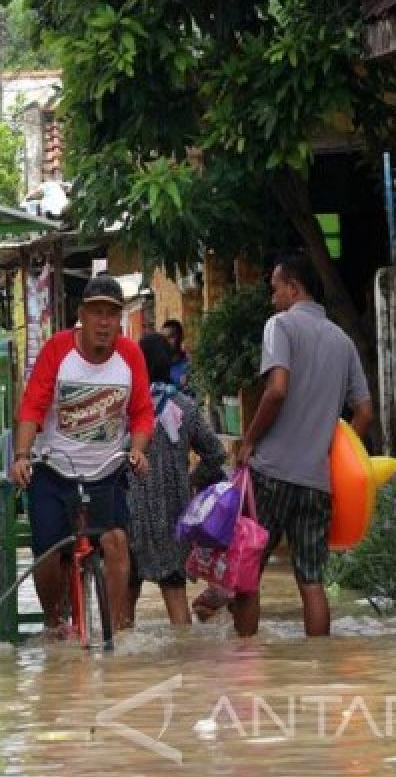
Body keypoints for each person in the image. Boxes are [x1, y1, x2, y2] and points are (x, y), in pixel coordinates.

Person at [231, 254, 373, 638]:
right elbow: (363, 412)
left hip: (271, 474)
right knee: (311, 582)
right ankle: (320, 667)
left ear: (293, 288)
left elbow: (276, 390)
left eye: (275, 289)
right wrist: (332, 453)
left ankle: (245, 666)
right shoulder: (341, 341)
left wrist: (250, 439)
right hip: (316, 483)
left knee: (248, 576)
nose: (272, 299)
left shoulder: (280, 325)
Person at [10, 275, 154, 635]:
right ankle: (53, 622)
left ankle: (116, 632)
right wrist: (23, 455)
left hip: (106, 473)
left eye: (112, 314)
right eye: (97, 313)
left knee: (117, 543)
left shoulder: (130, 355)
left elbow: (142, 412)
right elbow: (31, 407)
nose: (105, 322)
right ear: (82, 316)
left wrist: (137, 451)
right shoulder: (58, 350)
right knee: (47, 554)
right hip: (54, 471)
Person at [126, 333, 227, 627]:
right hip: (174, 514)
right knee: (175, 593)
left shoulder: (125, 411)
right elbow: (216, 454)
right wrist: (193, 481)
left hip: (132, 515)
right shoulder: (185, 407)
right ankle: (184, 664)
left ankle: (119, 672)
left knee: (126, 599)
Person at [161, 319, 192, 395]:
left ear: (181, 337)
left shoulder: (190, 365)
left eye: (170, 337)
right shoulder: (159, 366)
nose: (166, 342)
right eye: (164, 338)